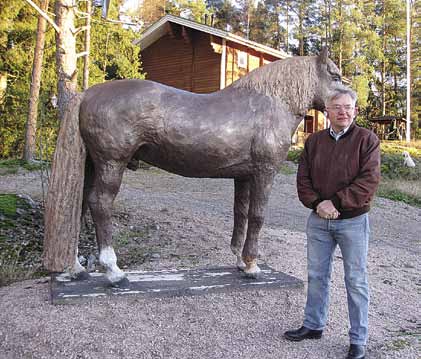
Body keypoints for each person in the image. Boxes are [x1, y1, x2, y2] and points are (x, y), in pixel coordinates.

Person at [284, 86, 381, 359]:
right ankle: (313, 325)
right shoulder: (314, 142)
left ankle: (358, 340)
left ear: (355, 111)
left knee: (356, 280)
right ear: (326, 112)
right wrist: (317, 204)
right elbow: (303, 180)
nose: (343, 112)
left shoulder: (367, 140)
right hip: (318, 221)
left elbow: (369, 181)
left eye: (348, 107)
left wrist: (335, 203)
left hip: (353, 222)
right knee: (317, 276)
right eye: (337, 107)